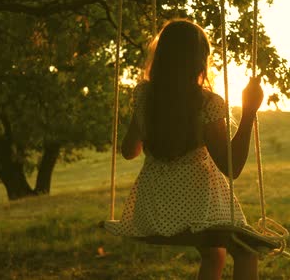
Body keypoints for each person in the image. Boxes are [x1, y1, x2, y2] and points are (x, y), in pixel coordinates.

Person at [110, 19, 264, 280]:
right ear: (199, 61)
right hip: (196, 211)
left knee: (214, 254)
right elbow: (232, 167)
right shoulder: (206, 103)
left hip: (153, 210)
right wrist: (248, 112)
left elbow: (129, 151)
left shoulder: (145, 96)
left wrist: (148, 126)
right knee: (248, 252)